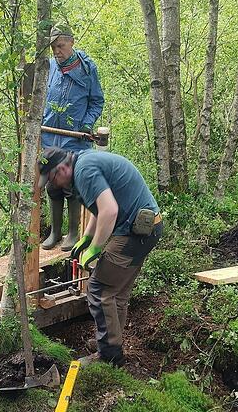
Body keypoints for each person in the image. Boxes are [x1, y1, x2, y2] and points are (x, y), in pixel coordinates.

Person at [38, 147, 163, 366]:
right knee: (117, 293)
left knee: (99, 289)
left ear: (62, 168)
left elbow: (110, 211)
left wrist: (95, 249)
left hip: (135, 233)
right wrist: (86, 238)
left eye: (52, 178)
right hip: (147, 228)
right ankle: (112, 343)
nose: (52, 184)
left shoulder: (84, 170)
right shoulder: (84, 162)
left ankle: (109, 356)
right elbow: (99, 209)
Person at [41, 23, 105, 251]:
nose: (57, 51)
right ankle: (54, 232)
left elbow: (97, 101)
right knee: (51, 185)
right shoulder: (48, 66)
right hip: (49, 135)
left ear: (71, 42)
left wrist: (87, 124)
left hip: (74, 137)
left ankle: (73, 233)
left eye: (60, 46)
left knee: (71, 186)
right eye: (53, 47)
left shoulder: (87, 69)